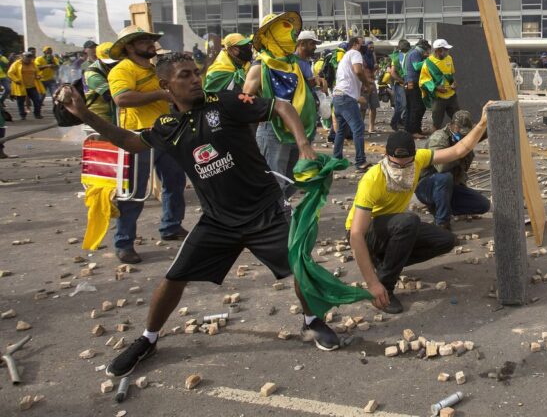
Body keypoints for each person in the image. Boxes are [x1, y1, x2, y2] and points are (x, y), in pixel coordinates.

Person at [57, 53, 347, 378]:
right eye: (185, 75)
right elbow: (128, 141)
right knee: (173, 278)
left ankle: (311, 321)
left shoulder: (225, 102)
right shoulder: (167, 126)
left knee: (300, 267)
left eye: (196, 72)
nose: (195, 78)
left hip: (265, 211)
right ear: (166, 85)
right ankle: (148, 339)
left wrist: (304, 143)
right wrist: (83, 113)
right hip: (218, 220)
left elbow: (280, 106)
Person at [346, 108, 490, 314]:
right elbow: (356, 234)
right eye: (397, 164)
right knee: (408, 222)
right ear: (386, 156)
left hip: (393, 227)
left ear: (415, 157)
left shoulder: (420, 159)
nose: (403, 170)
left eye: (408, 164)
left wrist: (483, 121)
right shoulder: (373, 179)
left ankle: (384, 263)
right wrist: (372, 284)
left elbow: (459, 150)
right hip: (367, 233)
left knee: (446, 240)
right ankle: (385, 287)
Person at [108, 26, 188, 263]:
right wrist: (160, 95)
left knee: (175, 181)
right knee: (134, 191)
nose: (150, 44)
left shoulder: (154, 69)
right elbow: (122, 98)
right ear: (130, 47)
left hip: (163, 132)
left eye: (150, 40)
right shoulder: (123, 69)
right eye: (144, 41)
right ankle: (124, 241)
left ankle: (171, 226)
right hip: (137, 136)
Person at [243, 13, 321, 199]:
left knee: (294, 178)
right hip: (273, 129)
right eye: (285, 31)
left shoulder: (292, 64)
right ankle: (273, 217)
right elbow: (245, 101)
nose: (292, 36)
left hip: (298, 128)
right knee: (274, 180)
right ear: (272, 36)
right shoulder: (260, 66)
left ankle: (279, 209)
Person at [415, 110, 490, 230]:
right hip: (428, 185)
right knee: (445, 177)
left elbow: (481, 133)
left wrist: (487, 119)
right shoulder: (439, 138)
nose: (464, 137)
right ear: (453, 126)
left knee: (483, 205)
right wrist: (460, 152)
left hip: (450, 187)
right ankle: (441, 223)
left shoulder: (463, 137)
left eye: (467, 134)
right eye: (461, 133)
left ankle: (442, 207)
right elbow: (441, 167)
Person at [331, 36, 372, 170]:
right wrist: (367, 84)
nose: (364, 46)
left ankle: (336, 159)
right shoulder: (355, 53)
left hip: (338, 96)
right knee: (358, 128)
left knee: (341, 131)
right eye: (362, 43)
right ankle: (360, 161)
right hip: (345, 97)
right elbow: (358, 71)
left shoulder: (344, 57)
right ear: (355, 44)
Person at [419, 39, 459, 130]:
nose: (447, 51)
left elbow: (451, 74)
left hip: (452, 96)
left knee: (458, 120)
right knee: (436, 123)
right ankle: (434, 142)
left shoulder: (449, 58)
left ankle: (459, 141)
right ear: (438, 51)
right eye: (445, 50)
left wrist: (454, 83)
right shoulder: (428, 63)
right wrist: (436, 88)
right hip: (438, 98)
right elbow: (423, 81)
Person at [82, 42, 119, 123]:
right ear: (98, 58)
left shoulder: (111, 68)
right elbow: (111, 96)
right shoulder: (92, 75)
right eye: (110, 63)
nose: (114, 64)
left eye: (115, 61)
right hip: (100, 116)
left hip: (113, 113)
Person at [402, 39, 430, 137]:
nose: (427, 52)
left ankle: (410, 130)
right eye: (427, 50)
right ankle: (414, 131)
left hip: (410, 83)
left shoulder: (413, 53)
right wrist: (427, 60)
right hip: (412, 83)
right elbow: (416, 67)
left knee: (412, 108)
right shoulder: (415, 53)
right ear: (423, 48)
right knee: (417, 107)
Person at [9, 52, 45, 119]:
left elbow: (37, 72)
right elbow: (10, 73)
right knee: (20, 102)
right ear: (22, 57)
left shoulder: (33, 63)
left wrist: (38, 76)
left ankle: (37, 114)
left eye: (30, 58)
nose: (29, 60)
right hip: (21, 86)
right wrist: (16, 80)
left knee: (37, 100)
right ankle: (22, 115)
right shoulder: (16, 64)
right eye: (27, 58)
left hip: (32, 86)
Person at [387, 40, 410, 132]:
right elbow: (391, 71)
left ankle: (403, 122)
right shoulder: (396, 57)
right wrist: (402, 81)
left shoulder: (406, 56)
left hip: (403, 84)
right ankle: (394, 123)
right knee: (401, 106)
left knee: (405, 105)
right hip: (399, 84)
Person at [360, 42, 380, 133]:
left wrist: (375, 68)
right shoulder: (361, 57)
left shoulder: (372, 56)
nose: (372, 48)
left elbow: (375, 68)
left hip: (372, 83)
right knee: (363, 107)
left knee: (373, 106)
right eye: (370, 47)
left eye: (373, 47)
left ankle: (371, 127)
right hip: (364, 84)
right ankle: (361, 127)